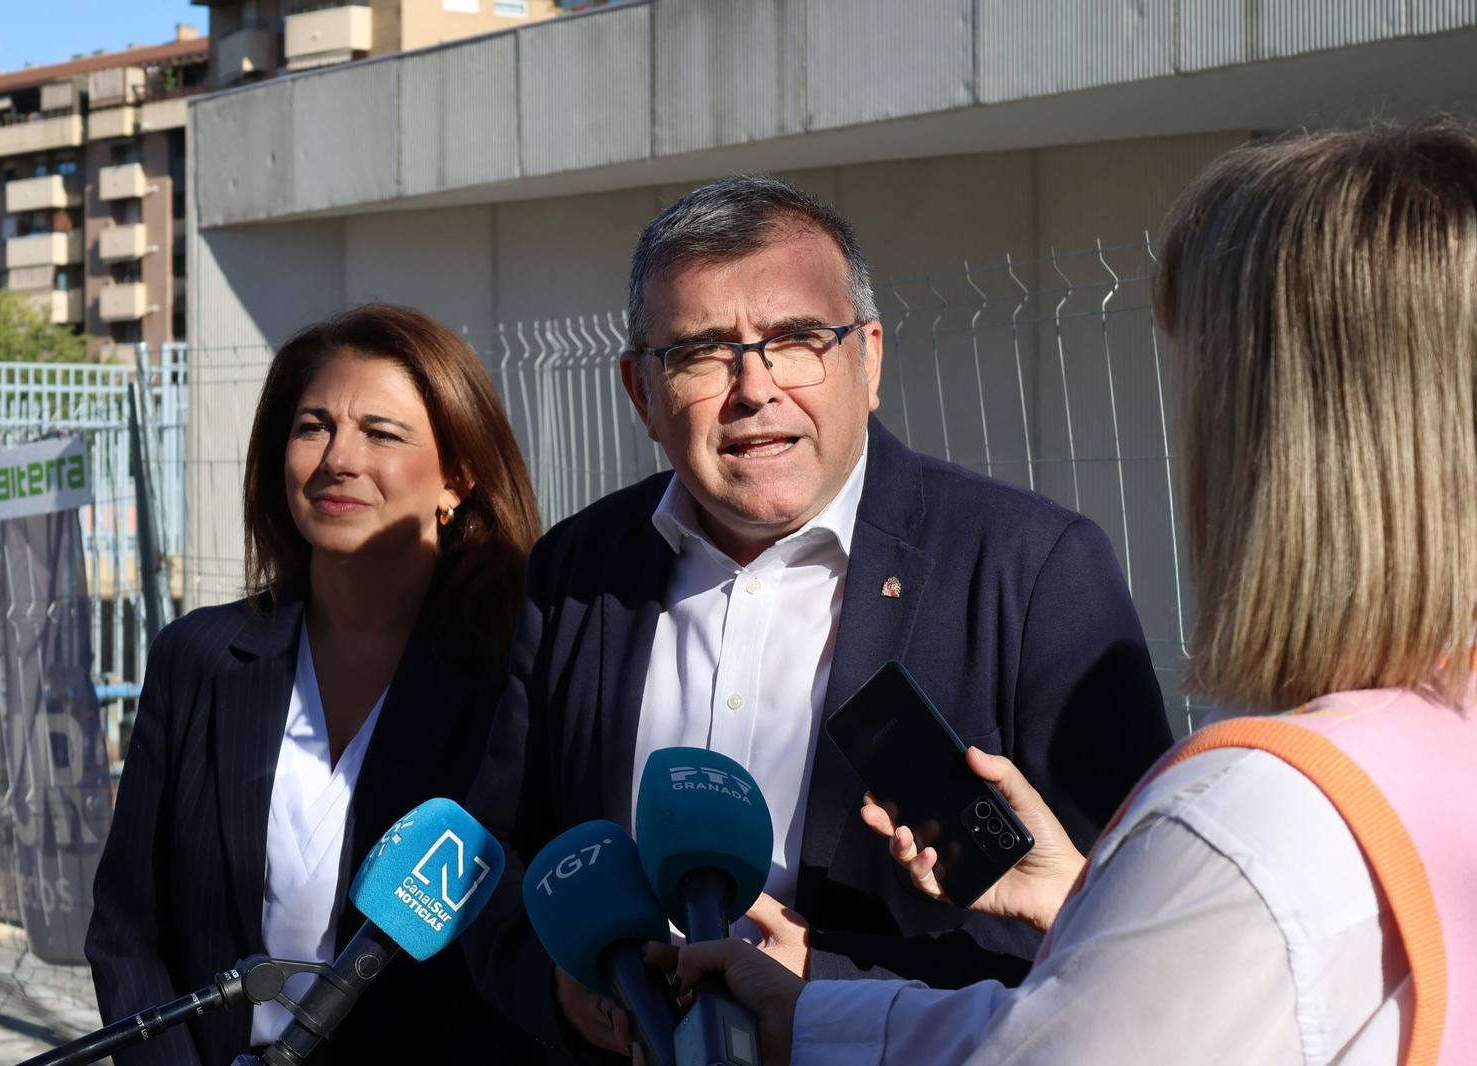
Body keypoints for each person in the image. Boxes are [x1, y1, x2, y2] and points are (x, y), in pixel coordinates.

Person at [656, 122, 1477, 1065]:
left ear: (1275, 438)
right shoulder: (1426, 734)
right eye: (702, 353)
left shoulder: (1247, 815)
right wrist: (1080, 894)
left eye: (1198, 376)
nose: (754, 387)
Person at [462, 175, 1174, 1059]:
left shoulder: (1034, 570)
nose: (754, 389)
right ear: (642, 393)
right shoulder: (575, 571)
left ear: (868, 360)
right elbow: (495, 863)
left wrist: (827, 990)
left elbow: (1127, 923)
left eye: (797, 340)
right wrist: (569, 996)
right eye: (701, 353)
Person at [86, 305, 551, 1064]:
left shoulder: (516, 676)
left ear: (457, 477)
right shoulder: (197, 657)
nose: (338, 457)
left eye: (381, 431)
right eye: (312, 427)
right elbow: (128, 931)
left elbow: (525, 962)